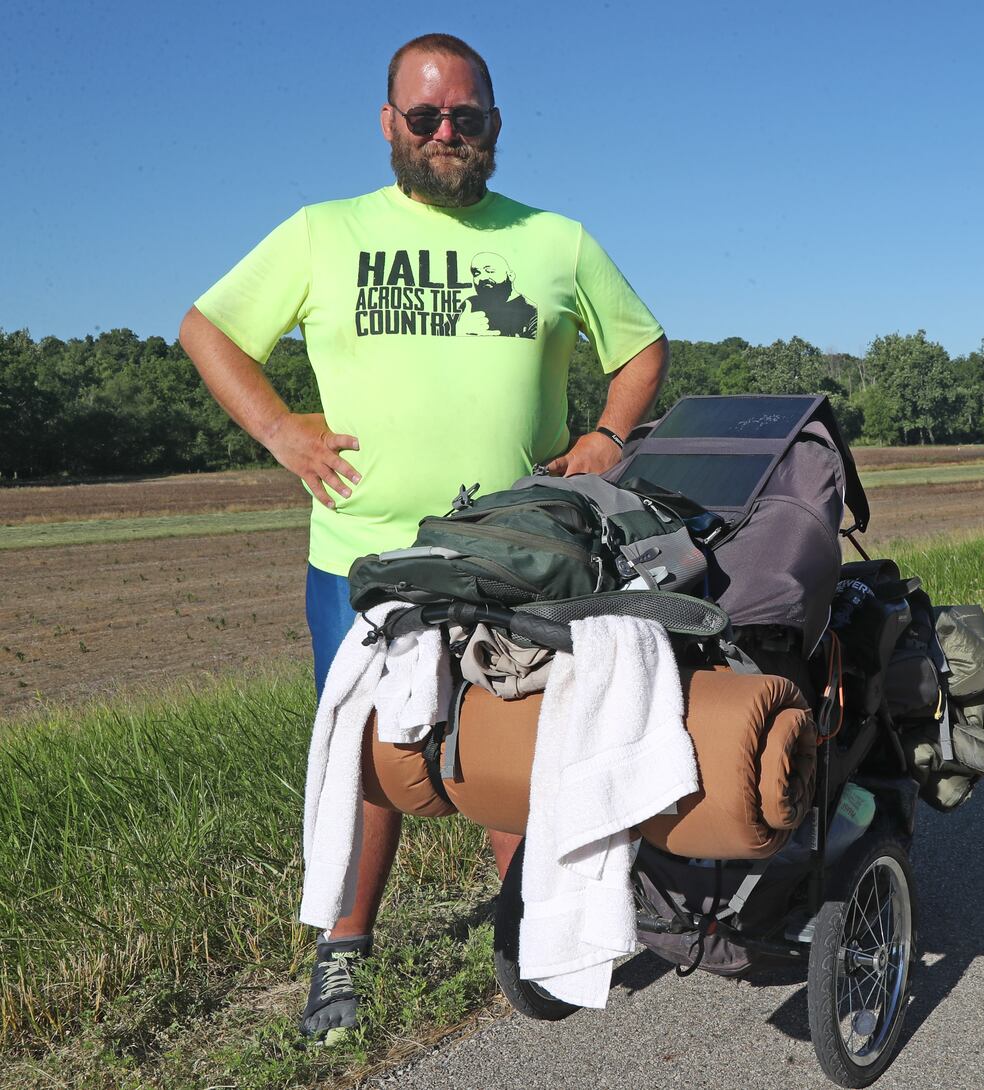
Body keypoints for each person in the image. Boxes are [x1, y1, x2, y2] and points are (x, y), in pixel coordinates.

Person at [178, 33, 667, 1038]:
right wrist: (277, 428)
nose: (446, 133)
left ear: (495, 123)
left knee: (513, 741)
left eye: (467, 117)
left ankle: (538, 931)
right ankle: (342, 958)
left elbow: (643, 345)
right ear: (389, 123)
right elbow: (207, 329)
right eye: (425, 116)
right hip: (360, 557)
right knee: (366, 759)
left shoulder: (555, 240)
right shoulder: (322, 234)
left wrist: (609, 433)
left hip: (515, 550)